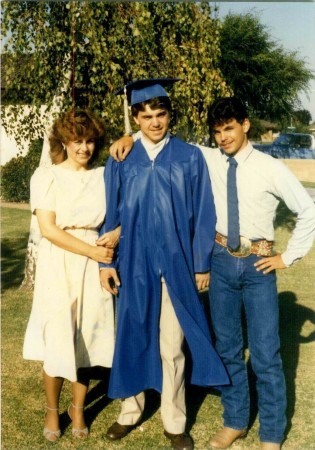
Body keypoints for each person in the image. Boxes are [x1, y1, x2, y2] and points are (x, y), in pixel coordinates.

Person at [108, 96, 315, 450]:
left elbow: (308, 210)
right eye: (217, 131)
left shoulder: (269, 167)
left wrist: (287, 257)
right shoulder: (206, 157)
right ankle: (235, 421)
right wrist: (126, 137)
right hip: (220, 261)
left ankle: (271, 434)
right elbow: (156, 143)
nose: (223, 137)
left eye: (229, 128)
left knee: (265, 354)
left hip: (257, 263)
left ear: (245, 125)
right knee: (229, 348)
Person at [99, 79, 229, 450]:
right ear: (136, 118)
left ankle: (174, 421)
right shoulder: (122, 158)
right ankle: (130, 410)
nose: (155, 122)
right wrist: (104, 265)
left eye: (161, 114)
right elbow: (111, 214)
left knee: (172, 345)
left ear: (170, 115)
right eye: (147, 116)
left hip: (176, 264)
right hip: (133, 262)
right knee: (133, 335)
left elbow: (204, 214)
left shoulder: (189, 157)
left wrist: (200, 263)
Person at [23, 109, 120, 442]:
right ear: (64, 141)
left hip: (94, 259)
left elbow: (121, 213)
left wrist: (116, 233)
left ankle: (78, 408)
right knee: (59, 336)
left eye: (90, 141)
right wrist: (92, 252)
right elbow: (49, 229)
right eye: (77, 140)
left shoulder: (104, 175)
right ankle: (52, 410)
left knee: (88, 337)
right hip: (61, 259)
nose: (84, 148)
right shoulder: (46, 176)